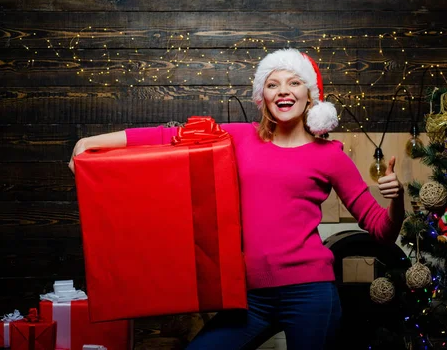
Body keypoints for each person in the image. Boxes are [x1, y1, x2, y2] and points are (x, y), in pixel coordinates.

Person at [68, 48, 404, 350]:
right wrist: (93, 142)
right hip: (250, 298)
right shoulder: (239, 138)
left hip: (310, 294)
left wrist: (397, 199)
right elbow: (169, 136)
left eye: (294, 83)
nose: (284, 90)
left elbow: (380, 230)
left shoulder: (330, 155)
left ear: (310, 97)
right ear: (263, 96)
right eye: (273, 84)